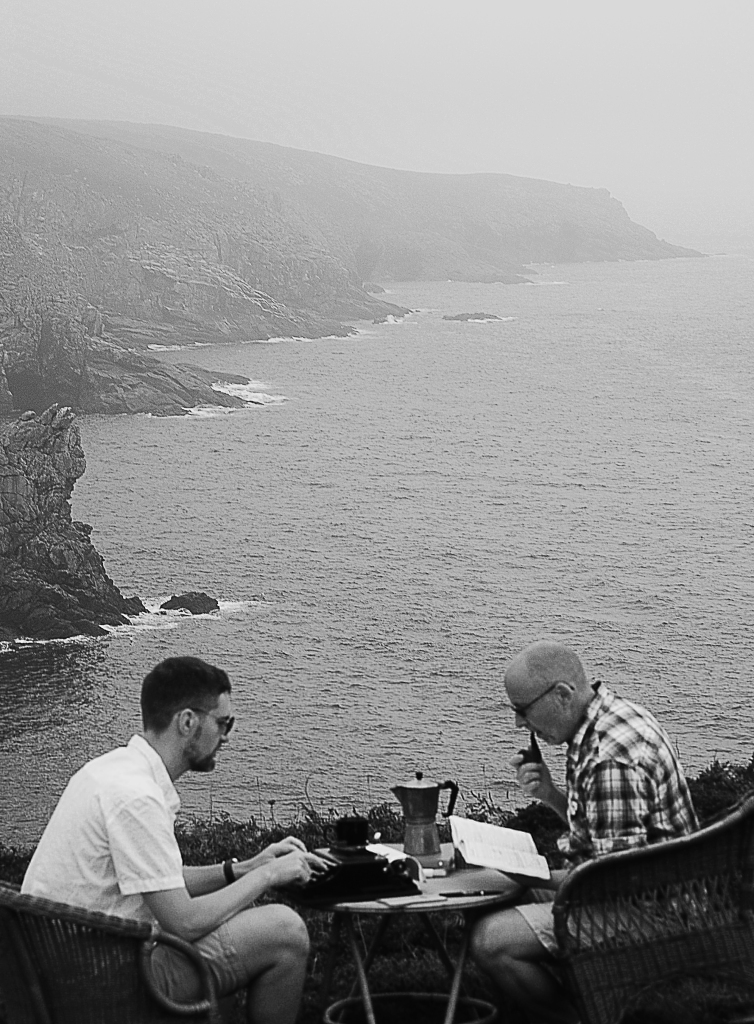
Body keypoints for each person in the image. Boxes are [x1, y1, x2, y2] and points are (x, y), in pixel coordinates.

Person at [22, 656, 327, 1024]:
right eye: (223, 723)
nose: (227, 736)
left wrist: (246, 867)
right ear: (187, 721)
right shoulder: (137, 797)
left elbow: (161, 883)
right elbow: (183, 923)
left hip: (63, 971)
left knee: (240, 919)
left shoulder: (109, 772)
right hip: (105, 983)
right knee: (285, 930)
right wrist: (268, 877)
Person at [470, 641, 699, 1024]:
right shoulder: (605, 723)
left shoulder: (610, 759)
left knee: (492, 941)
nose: (519, 724)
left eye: (522, 710)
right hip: (650, 892)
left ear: (562, 694)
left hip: (654, 913)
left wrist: (528, 873)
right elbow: (600, 837)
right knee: (491, 893)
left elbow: (611, 883)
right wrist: (550, 795)